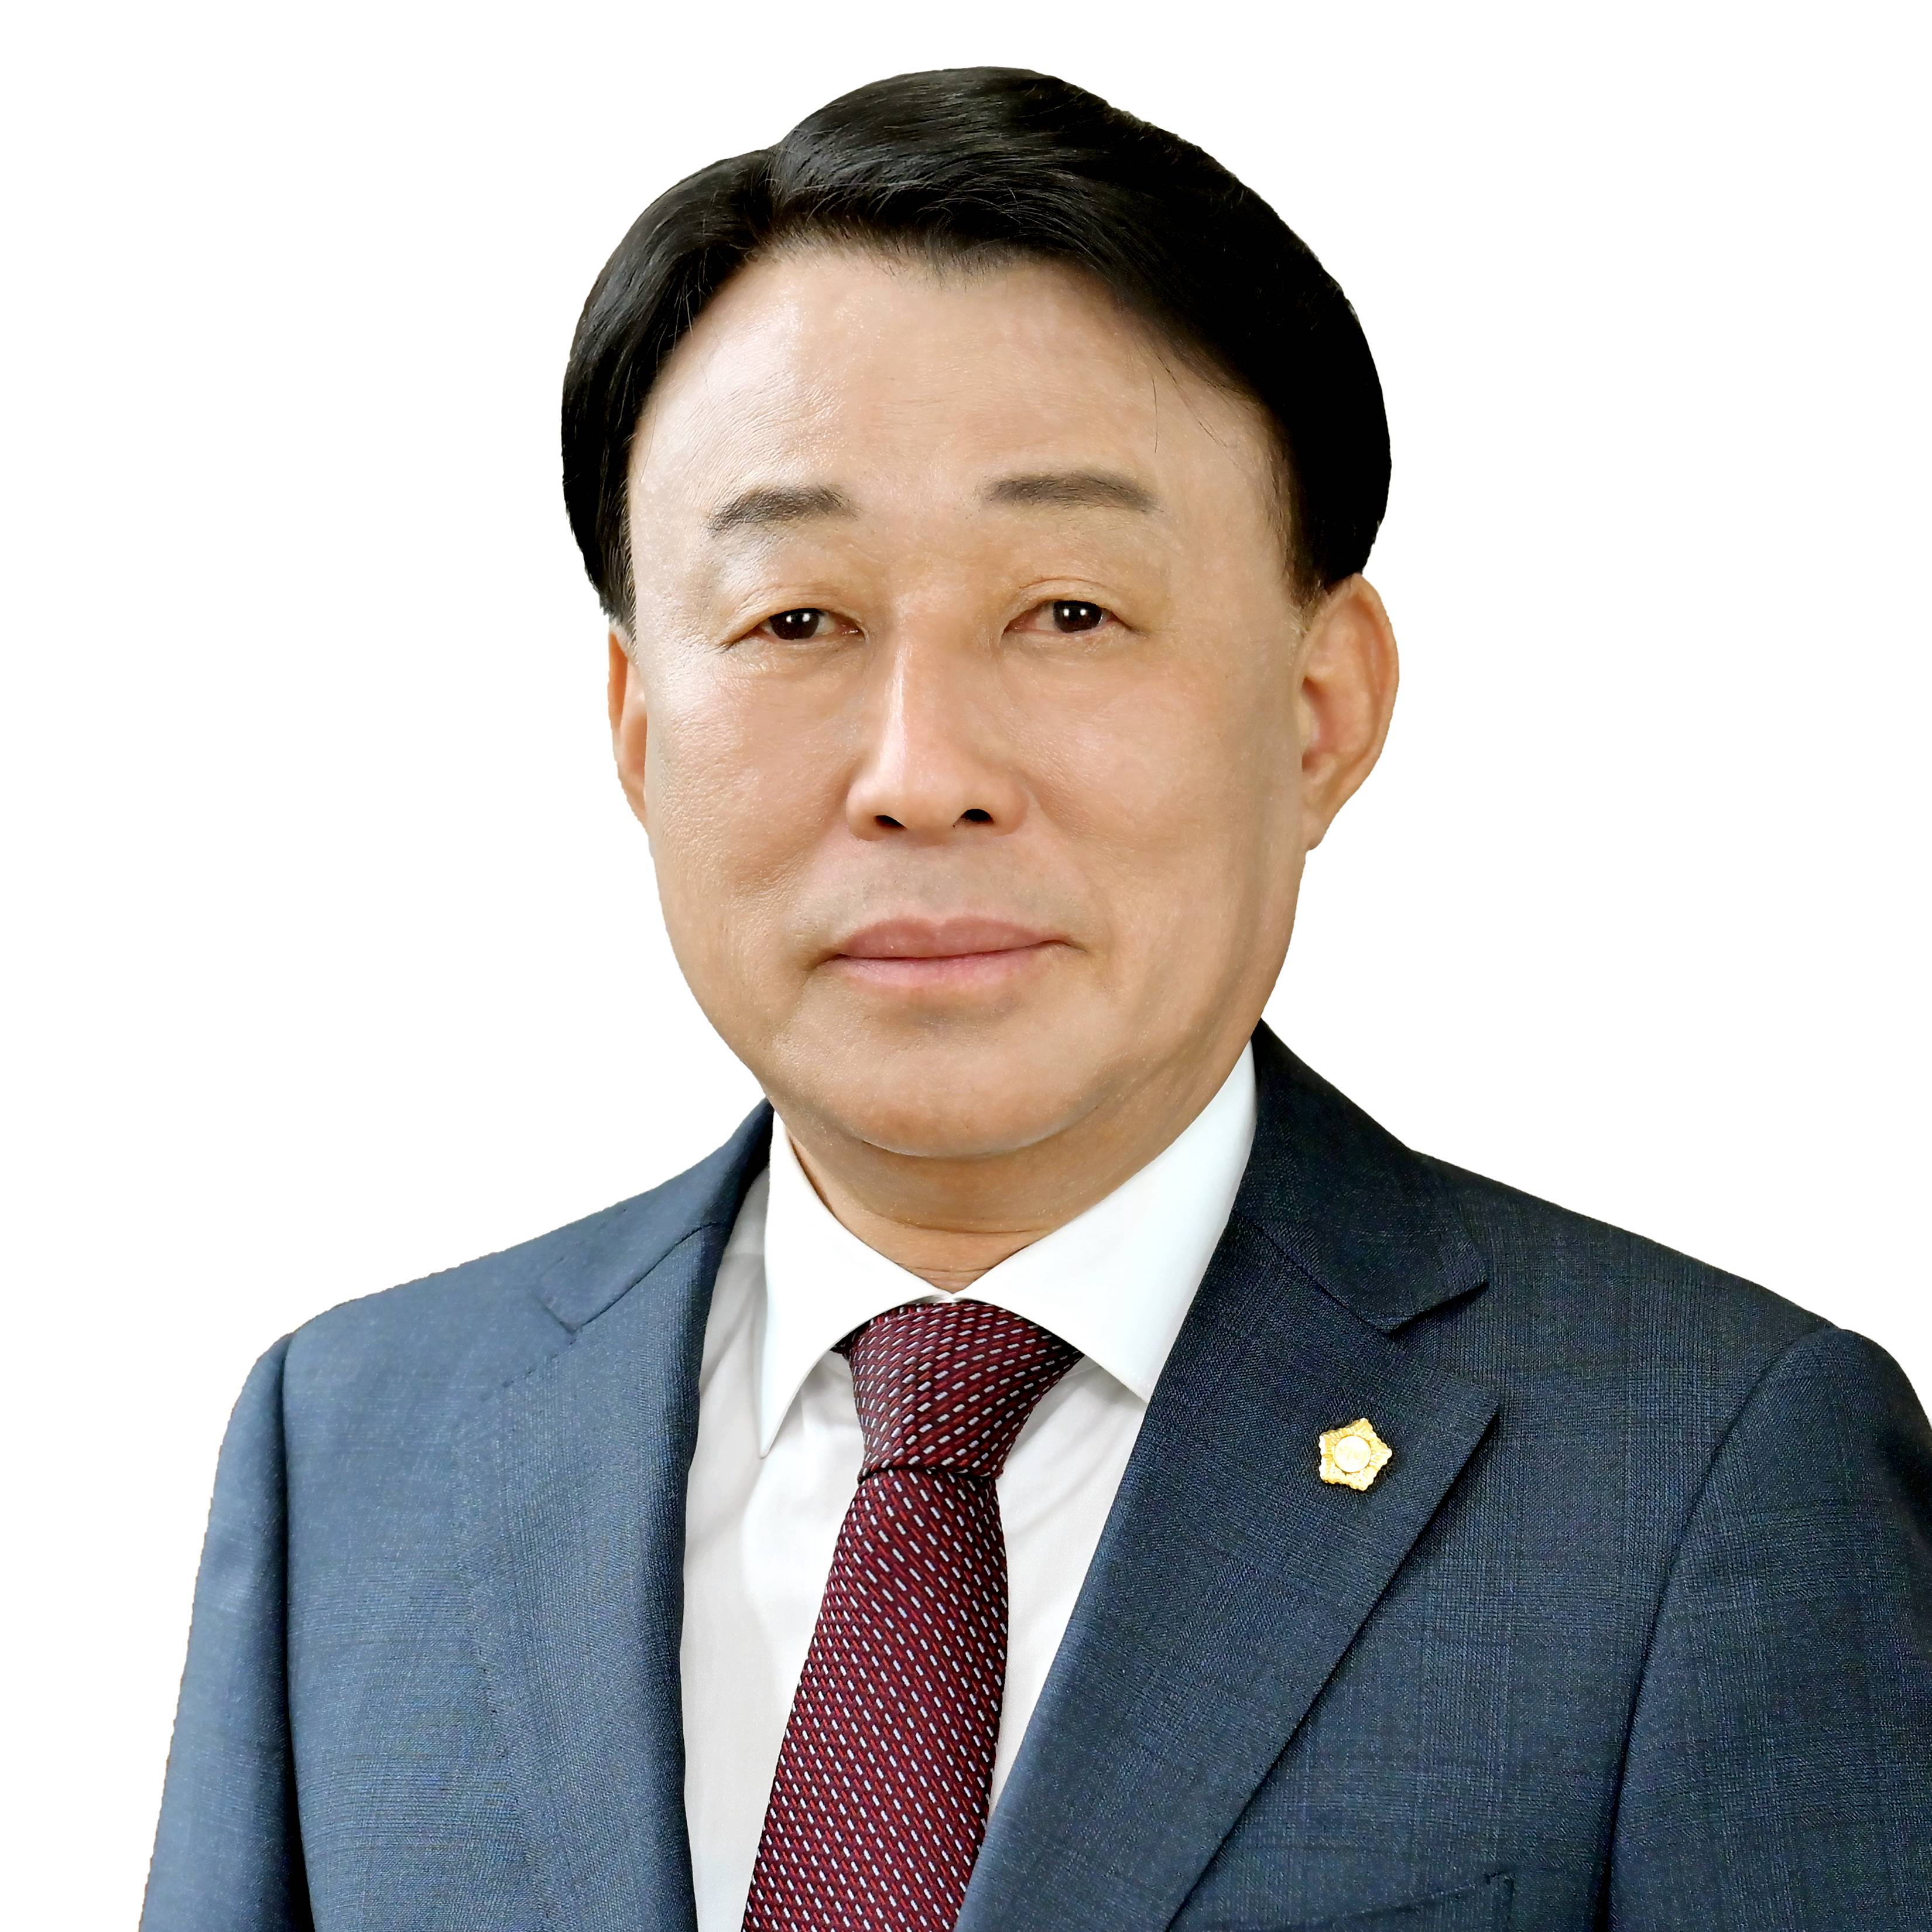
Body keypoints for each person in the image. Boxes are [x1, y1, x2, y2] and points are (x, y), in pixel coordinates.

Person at [142, 66, 1932, 1932]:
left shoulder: (1700, 1481)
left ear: (1321, 707)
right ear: (638, 725)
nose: (921, 773)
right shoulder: (355, 1449)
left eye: (1068, 611)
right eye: (795, 620)